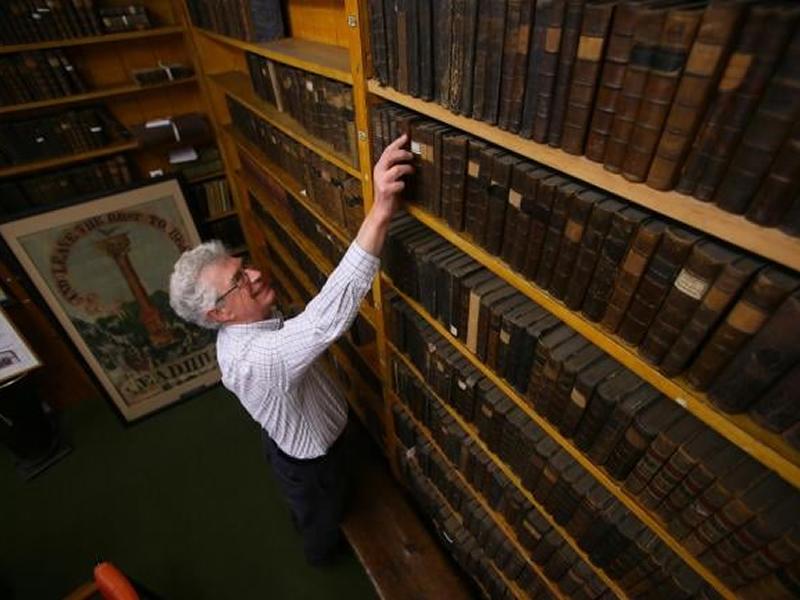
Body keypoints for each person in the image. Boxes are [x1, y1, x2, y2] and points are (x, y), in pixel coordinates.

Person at [168, 134, 412, 566]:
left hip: (295, 444)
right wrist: (379, 211)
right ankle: (322, 557)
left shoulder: (238, 336)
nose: (258, 274)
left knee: (312, 496)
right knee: (320, 519)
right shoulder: (259, 359)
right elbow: (325, 319)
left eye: (243, 267)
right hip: (314, 465)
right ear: (219, 313)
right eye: (241, 282)